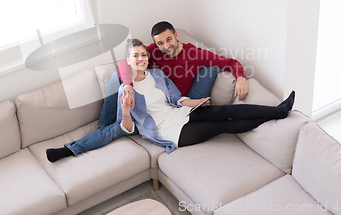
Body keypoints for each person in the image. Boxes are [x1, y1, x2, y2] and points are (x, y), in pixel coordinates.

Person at [46, 21, 250, 162]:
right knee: (117, 80)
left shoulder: (195, 53)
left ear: (176, 35)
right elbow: (125, 66)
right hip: (153, 104)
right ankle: (83, 140)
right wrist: (127, 85)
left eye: (169, 40)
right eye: (160, 42)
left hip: (174, 103)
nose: (165, 46)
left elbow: (229, 62)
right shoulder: (152, 51)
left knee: (210, 70)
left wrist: (240, 76)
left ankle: (81, 142)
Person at [118, 39, 295, 152]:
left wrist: (198, 102)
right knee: (220, 126)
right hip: (166, 130)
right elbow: (128, 128)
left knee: (222, 111)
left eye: (143, 55)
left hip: (178, 113)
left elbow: (176, 99)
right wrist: (126, 111)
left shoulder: (156, 74)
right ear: (127, 61)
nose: (141, 58)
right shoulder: (125, 91)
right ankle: (275, 114)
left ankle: (277, 111)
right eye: (135, 56)